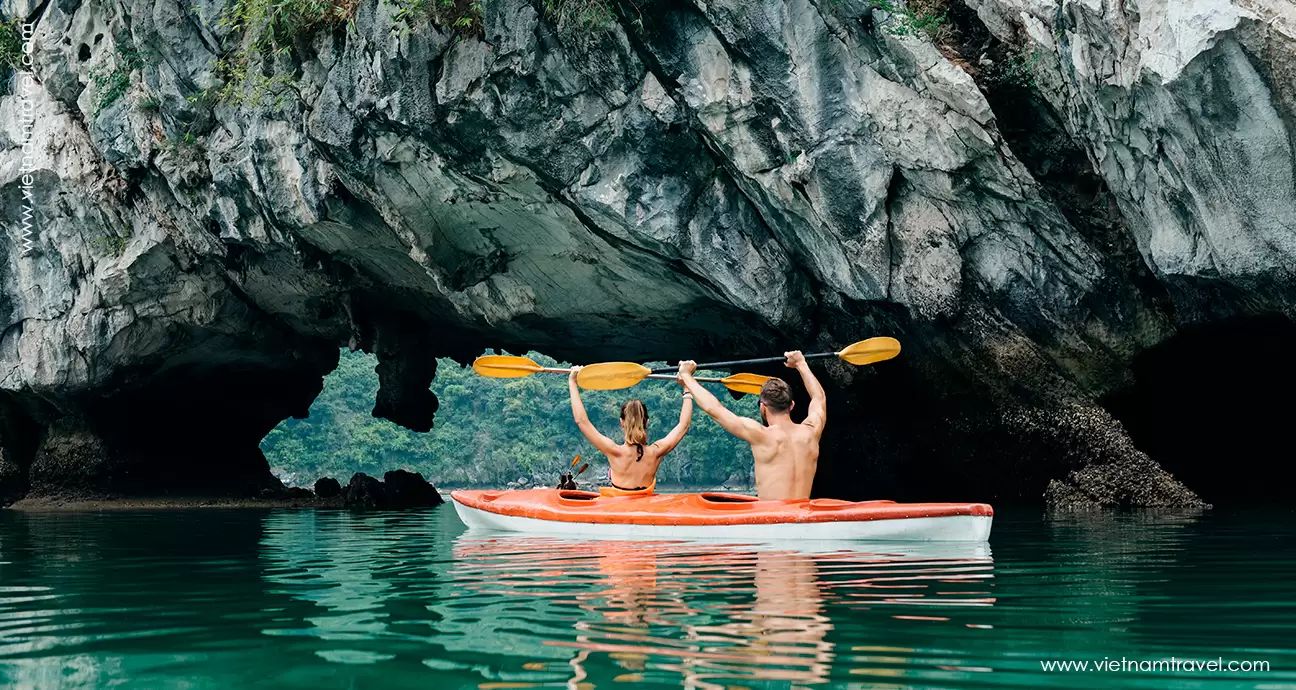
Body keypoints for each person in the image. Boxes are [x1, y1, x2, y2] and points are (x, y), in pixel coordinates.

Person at [676, 351, 825, 500]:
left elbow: (714, 409)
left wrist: (687, 376)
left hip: (773, 519)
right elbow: (819, 398)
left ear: (763, 407)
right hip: (804, 517)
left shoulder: (761, 435)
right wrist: (801, 364)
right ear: (791, 405)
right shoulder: (810, 432)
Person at [568, 366, 693, 495]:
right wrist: (687, 387)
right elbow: (683, 425)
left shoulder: (614, 451)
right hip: (645, 510)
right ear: (647, 422)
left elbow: (582, 421)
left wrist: (572, 382)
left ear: (622, 422)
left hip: (620, 509)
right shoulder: (656, 451)